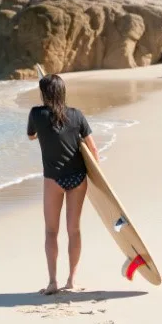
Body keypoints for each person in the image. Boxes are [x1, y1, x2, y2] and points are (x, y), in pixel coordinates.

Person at [27, 73, 99, 295]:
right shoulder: (77, 115)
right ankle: (71, 281)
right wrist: (97, 180)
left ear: (44, 93)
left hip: (53, 179)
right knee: (74, 229)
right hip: (78, 178)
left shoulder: (37, 114)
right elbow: (93, 149)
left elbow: (31, 136)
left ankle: (52, 282)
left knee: (51, 231)